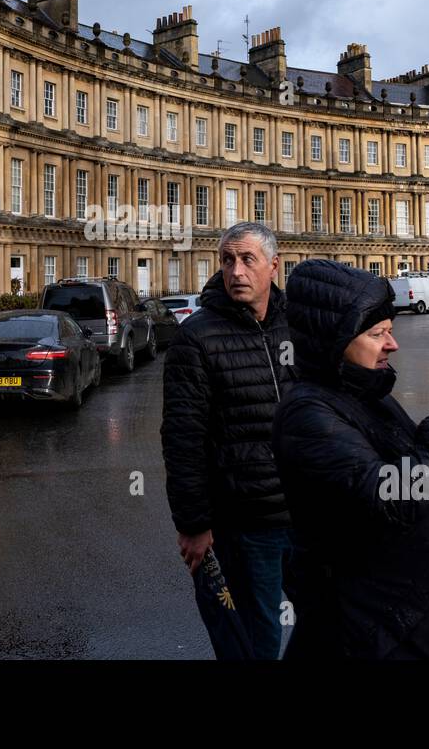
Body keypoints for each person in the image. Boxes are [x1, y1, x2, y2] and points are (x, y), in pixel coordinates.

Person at [272, 260, 429, 659]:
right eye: (377, 333)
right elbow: (396, 497)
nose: (392, 344)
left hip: (414, 619)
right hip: (361, 633)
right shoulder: (308, 415)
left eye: (390, 331)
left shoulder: (371, 397)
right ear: (335, 339)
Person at [161, 221, 295, 659]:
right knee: (255, 640)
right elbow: (183, 440)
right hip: (244, 523)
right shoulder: (196, 338)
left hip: (306, 514)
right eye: (227, 260)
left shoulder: (296, 326)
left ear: (274, 266)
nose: (235, 271)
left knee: (331, 619)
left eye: (247, 260)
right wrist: (194, 525)